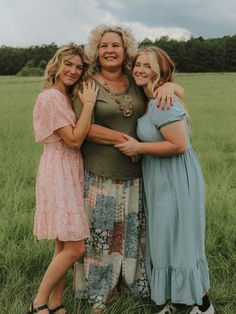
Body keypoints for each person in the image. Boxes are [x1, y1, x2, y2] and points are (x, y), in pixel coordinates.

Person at [72, 25, 184, 313]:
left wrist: (172, 86)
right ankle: (99, 292)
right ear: (97, 50)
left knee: (131, 235)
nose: (110, 50)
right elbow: (85, 128)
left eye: (116, 46)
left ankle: (131, 285)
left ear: (125, 51)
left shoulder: (135, 80)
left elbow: (165, 87)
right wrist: (125, 140)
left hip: (136, 175)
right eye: (104, 45)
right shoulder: (87, 83)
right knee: (101, 234)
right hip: (101, 173)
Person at [115, 47, 215, 314]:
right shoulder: (149, 97)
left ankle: (201, 303)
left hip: (177, 179)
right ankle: (171, 298)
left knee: (182, 238)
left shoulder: (162, 101)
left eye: (147, 65)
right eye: (137, 64)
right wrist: (172, 86)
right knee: (163, 239)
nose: (139, 69)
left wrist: (139, 148)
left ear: (159, 71)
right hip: (159, 180)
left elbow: (179, 145)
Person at [29, 43, 98, 314]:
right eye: (68, 64)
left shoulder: (64, 96)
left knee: (63, 243)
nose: (73, 70)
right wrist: (90, 105)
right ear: (57, 64)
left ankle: (56, 304)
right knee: (76, 247)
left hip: (68, 170)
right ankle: (38, 303)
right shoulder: (51, 98)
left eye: (78, 67)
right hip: (58, 169)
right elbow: (73, 140)